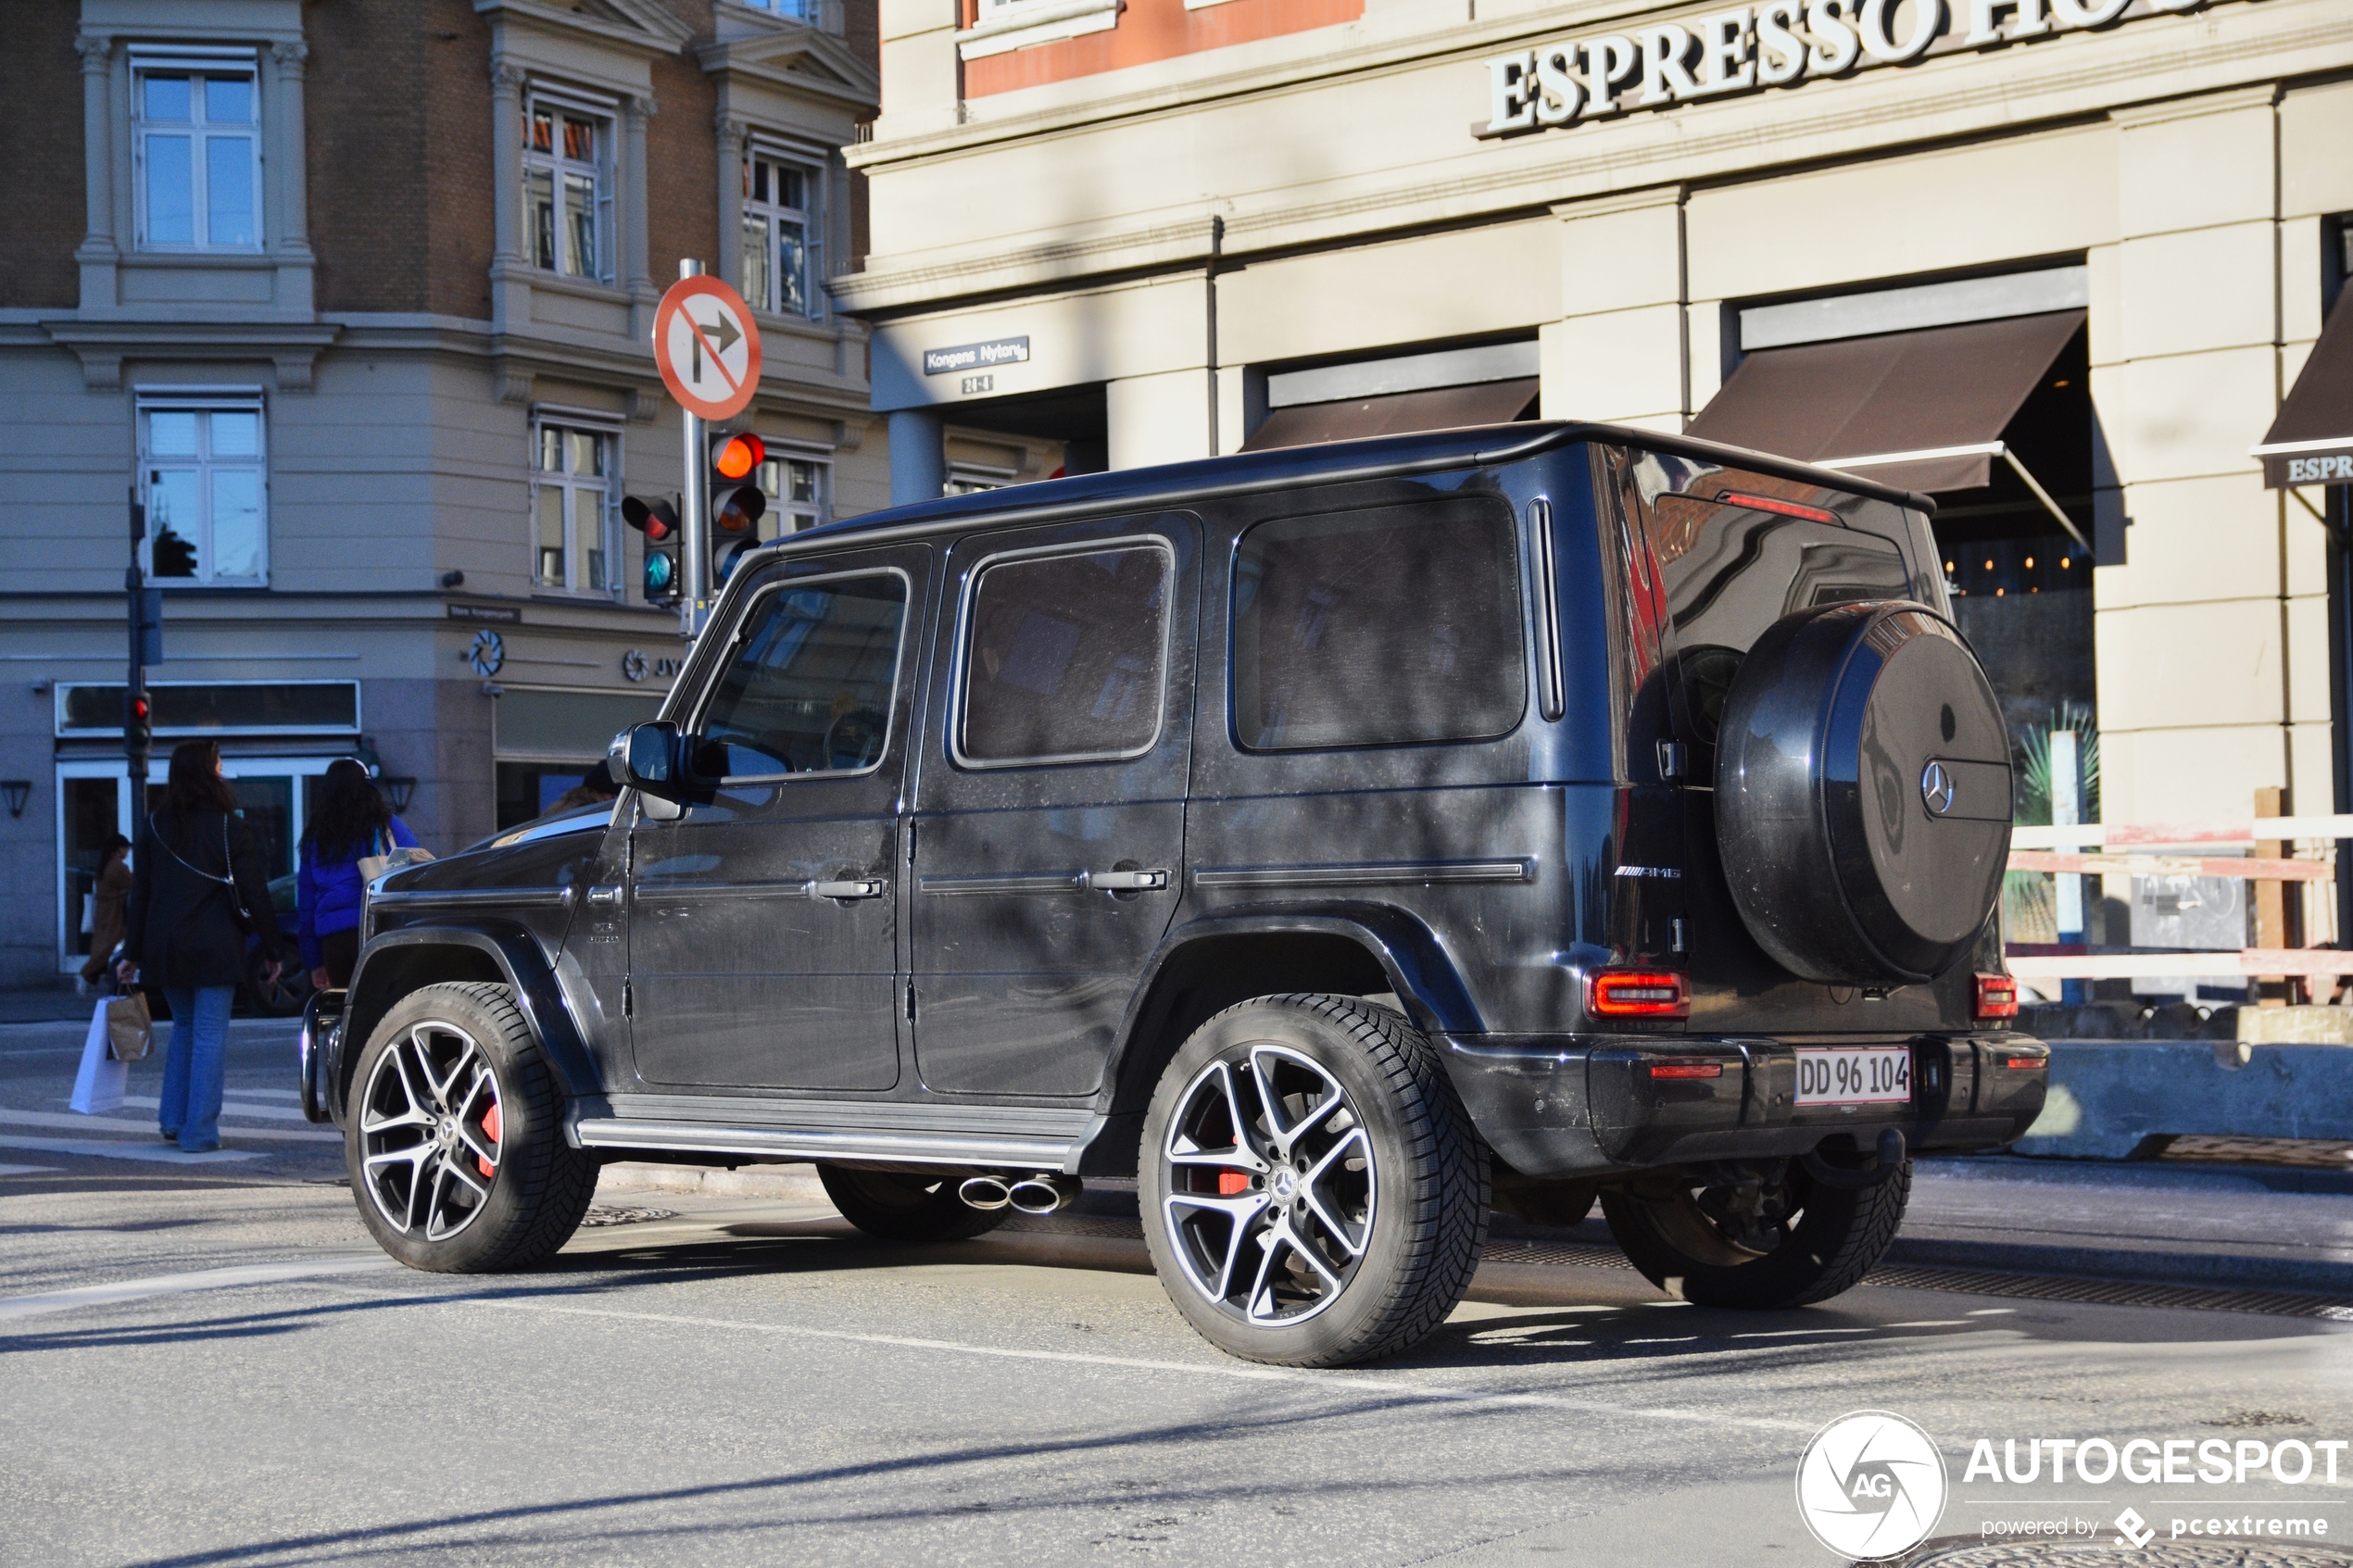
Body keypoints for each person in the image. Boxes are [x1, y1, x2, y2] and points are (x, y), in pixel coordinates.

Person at [119, 741, 286, 1154]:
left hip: (166, 947)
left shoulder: (155, 824)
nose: (223, 767)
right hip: (214, 945)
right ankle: (200, 1132)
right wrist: (273, 948)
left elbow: (141, 894)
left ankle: (173, 1120)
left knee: (184, 1028)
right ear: (209, 772)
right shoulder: (231, 826)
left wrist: (132, 952)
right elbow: (254, 892)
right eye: (218, 762)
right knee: (209, 1034)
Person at [297, 758, 420, 993]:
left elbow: (306, 905)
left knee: (349, 1011)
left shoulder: (316, 837)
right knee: (383, 1008)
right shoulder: (387, 826)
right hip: (377, 929)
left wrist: (314, 962)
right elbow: (416, 867)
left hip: (333, 940)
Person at [77, 833, 132, 991]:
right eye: (126, 848)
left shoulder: (105, 864)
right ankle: (87, 973)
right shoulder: (117, 867)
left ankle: (101, 975)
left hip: (105, 913)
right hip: (113, 913)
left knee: (104, 946)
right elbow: (131, 882)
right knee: (110, 946)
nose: (127, 852)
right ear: (118, 849)